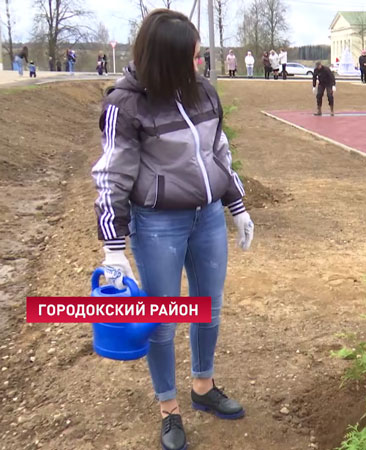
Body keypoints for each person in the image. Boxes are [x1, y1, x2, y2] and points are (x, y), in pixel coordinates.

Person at [91, 9, 253, 450]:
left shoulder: (203, 93)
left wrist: (236, 206)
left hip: (207, 219)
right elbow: (112, 177)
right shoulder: (125, 106)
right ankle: (169, 408)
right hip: (158, 224)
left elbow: (220, 153)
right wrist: (113, 247)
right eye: (193, 56)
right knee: (162, 319)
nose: (200, 64)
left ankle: (203, 387)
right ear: (168, 58)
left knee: (207, 308)